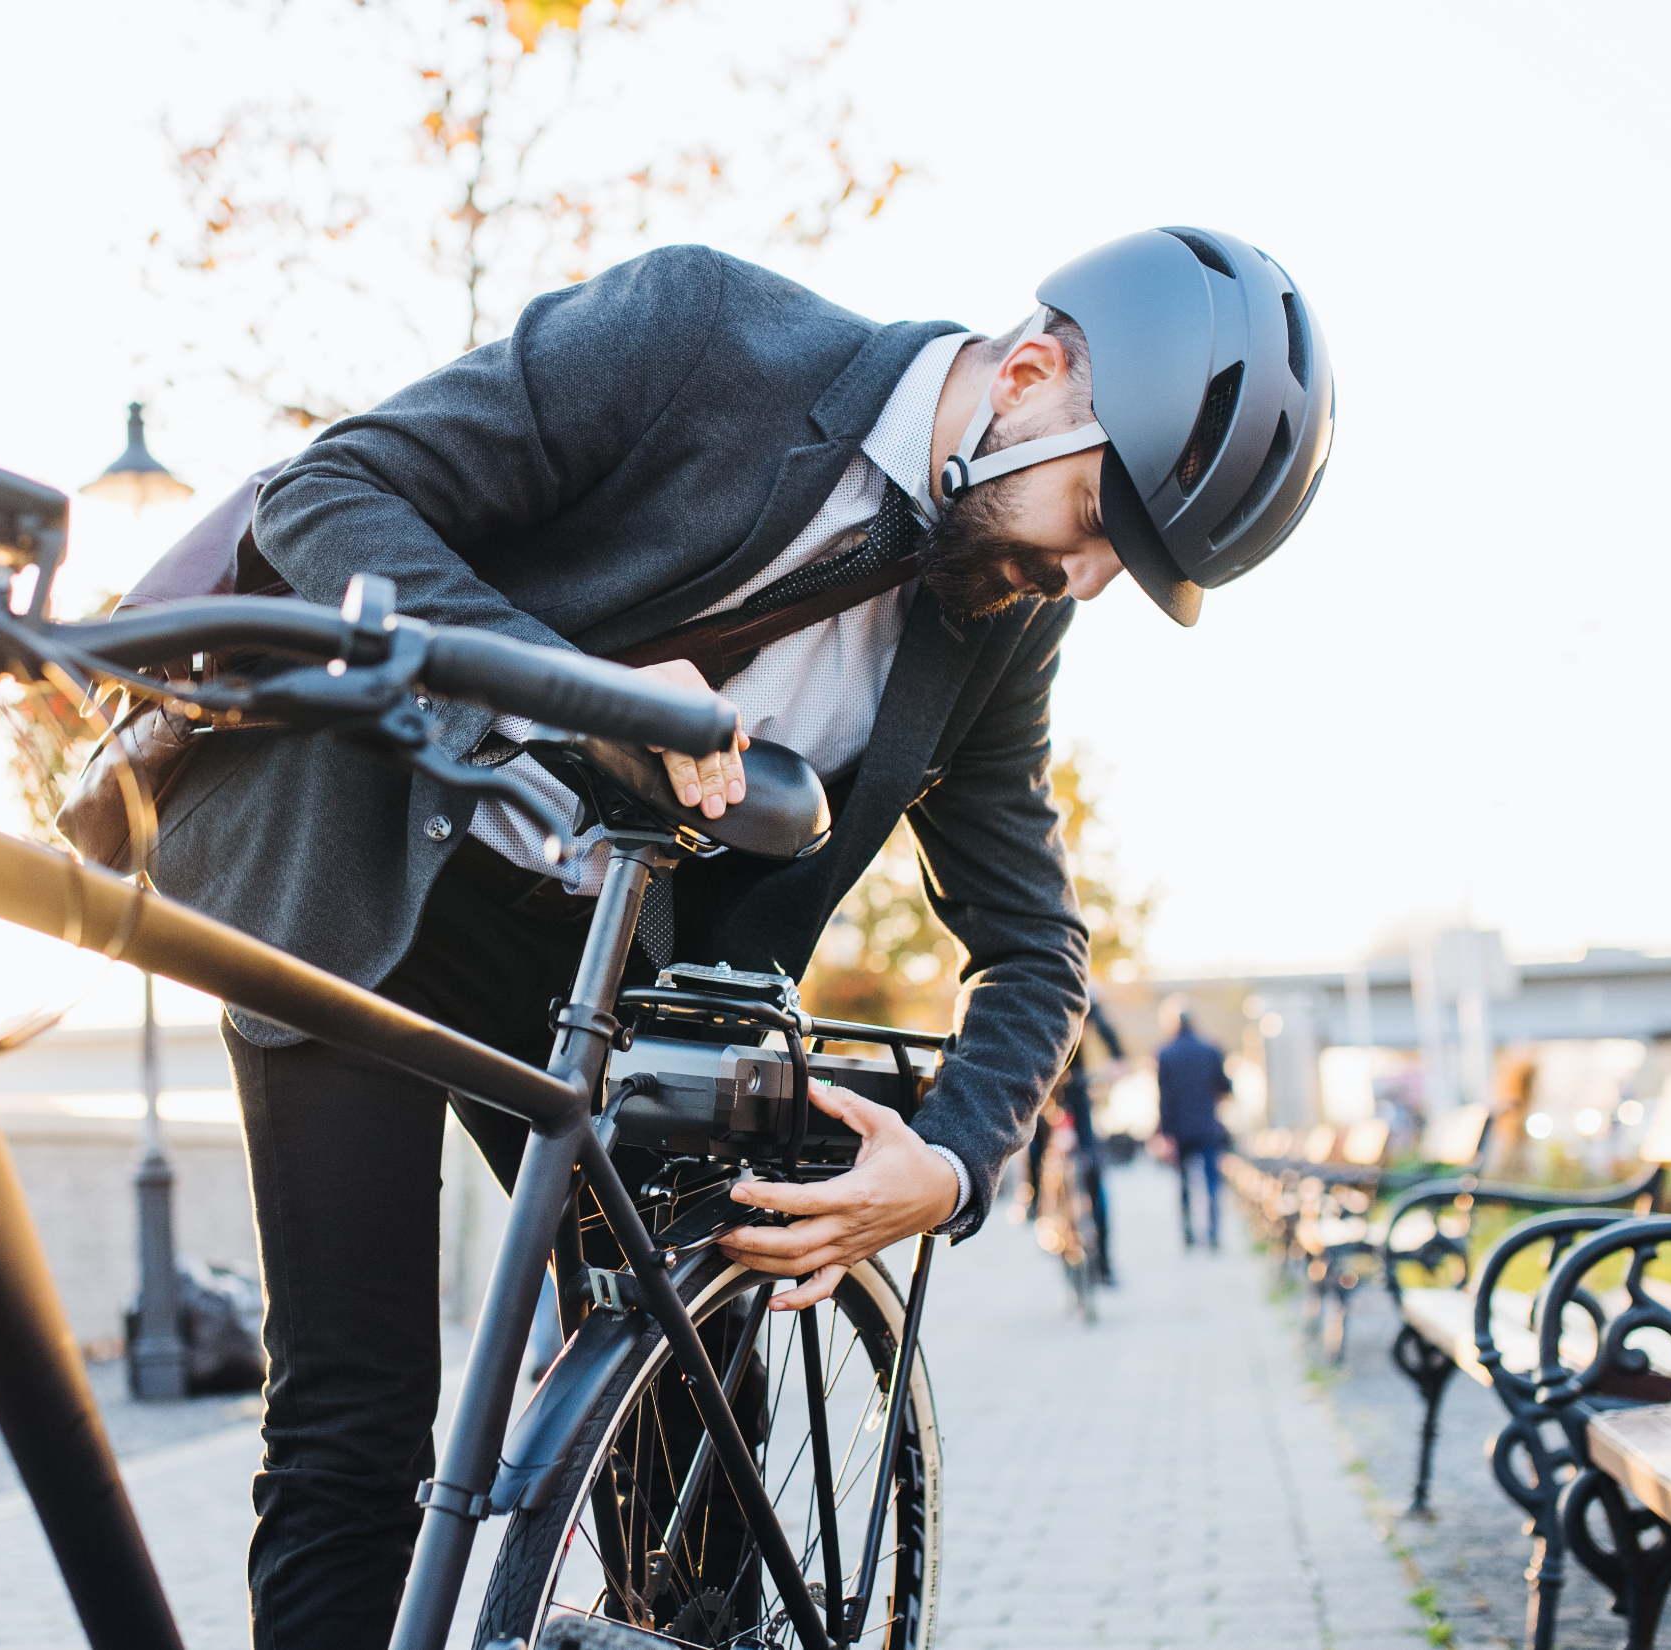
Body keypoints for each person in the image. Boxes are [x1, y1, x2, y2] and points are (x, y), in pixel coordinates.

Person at [147, 231, 1333, 1645]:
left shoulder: (1003, 620)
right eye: (1093, 521)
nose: (1083, 580)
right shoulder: (698, 334)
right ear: (1030, 375)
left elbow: (1034, 943)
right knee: (354, 1414)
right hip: (359, 870)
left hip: (611, 965)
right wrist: (574, 686)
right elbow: (326, 499)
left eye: (1120, 567)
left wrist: (946, 1164)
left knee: (697, 1416)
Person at [1024, 998, 1121, 1284]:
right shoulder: (1025, 983)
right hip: (1040, 1089)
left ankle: (1102, 1259)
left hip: (1074, 1087)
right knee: (1035, 1145)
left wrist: (1117, 1060)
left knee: (1092, 1169)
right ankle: (1035, 1201)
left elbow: (1106, 1031)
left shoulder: (1084, 993)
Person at [1154, 1001, 1235, 1249]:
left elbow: (1164, 1098)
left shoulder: (1165, 1053)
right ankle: (1212, 1233)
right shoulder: (1211, 1050)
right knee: (1211, 1181)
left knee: (1184, 1183)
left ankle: (1188, 1233)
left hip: (1179, 1130)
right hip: (1207, 1127)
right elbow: (1225, 1086)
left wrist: (1164, 1133)